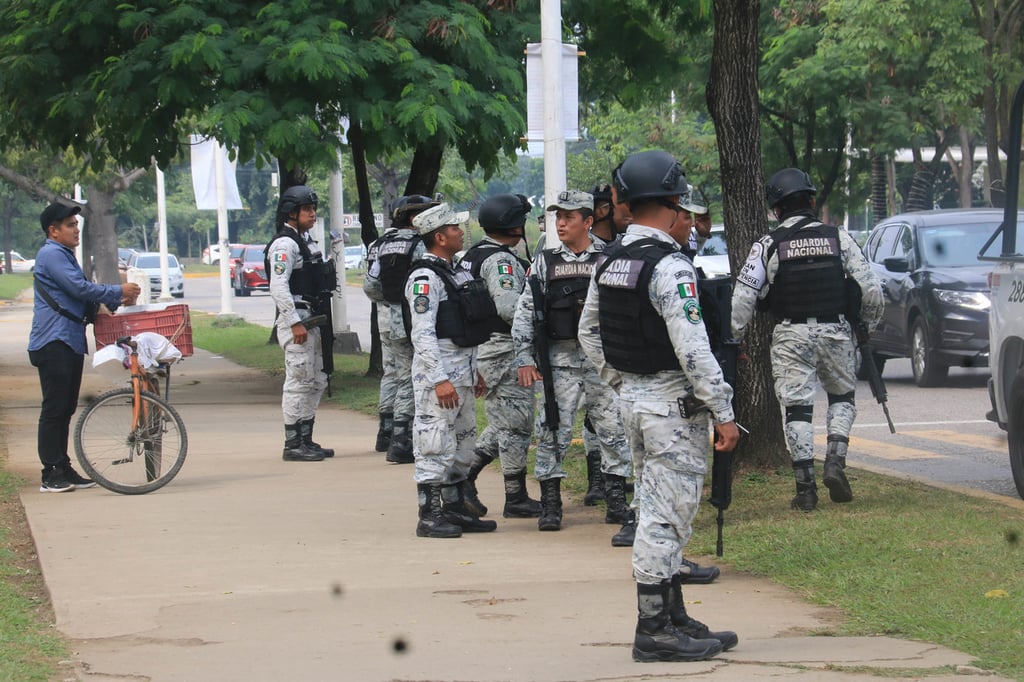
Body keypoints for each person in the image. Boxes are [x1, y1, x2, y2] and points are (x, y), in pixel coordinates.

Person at [578, 150, 739, 662]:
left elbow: (588, 331)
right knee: (663, 518)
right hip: (672, 406)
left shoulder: (610, 260)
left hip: (636, 401)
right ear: (672, 204)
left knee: (660, 507)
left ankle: (673, 615)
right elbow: (694, 349)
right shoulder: (669, 265)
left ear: (626, 202)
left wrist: (619, 380)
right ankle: (653, 630)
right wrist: (724, 411)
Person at [731, 168, 883, 511]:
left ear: (776, 210)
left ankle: (805, 489)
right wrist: (867, 326)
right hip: (836, 330)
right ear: (812, 201)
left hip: (790, 334)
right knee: (842, 398)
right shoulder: (839, 238)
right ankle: (835, 461)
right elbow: (871, 289)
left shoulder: (767, 245)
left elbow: (743, 296)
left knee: (797, 410)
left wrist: (735, 337)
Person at [513, 190, 633, 538]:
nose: (560, 223)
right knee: (553, 430)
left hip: (603, 362)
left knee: (613, 430)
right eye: (557, 217)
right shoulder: (545, 261)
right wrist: (524, 357)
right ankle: (551, 503)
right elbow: (525, 310)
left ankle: (615, 500)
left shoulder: (610, 257)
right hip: (559, 362)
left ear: (589, 221)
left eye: (568, 217)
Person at [29, 202, 141, 492]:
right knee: (54, 408)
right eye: (69, 225)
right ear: (53, 231)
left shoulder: (63, 254)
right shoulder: (52, 254)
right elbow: (79, 289)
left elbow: (79, 297)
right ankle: (50, 472)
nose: (76, 229)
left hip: (67, 340)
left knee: (65, 408)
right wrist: (118, 290)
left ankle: (62, 466)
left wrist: (112, 303)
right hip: (53, 341)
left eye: (76, 224)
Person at [406, 202, 496, 538]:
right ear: (441, 237)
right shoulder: (425, 278)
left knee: (463, 444)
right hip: (439, 378)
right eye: (456, 229)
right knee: (434, 443)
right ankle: (429, 516)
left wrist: (475, 372)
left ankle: (455, 509)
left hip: (464, 373)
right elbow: (423, 333)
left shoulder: (455, 271)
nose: (462, 232)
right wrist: (439, 379)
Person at [459, 194, 542, 519]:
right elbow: (509, 308)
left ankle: (467, 478)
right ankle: (513, 495)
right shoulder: (502, 261)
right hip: (504, 349)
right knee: (517, 423)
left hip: (483, 349)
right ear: (513, 225)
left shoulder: (473, 255)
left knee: (506, 421)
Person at [265, 185, 336, 462]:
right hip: (298, 321)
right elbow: (279, 287)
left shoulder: (306, 242)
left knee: (316, 379)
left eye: (313, 209)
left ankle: (306, 437)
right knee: (297, 381)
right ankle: (293, 443)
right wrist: (294, 322)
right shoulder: (285, 245)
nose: (313, 213)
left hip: (312, 319)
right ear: (292, 213)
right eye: (307, 209)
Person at [363, 196, 435, 462]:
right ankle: (401, 442)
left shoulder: (378, 244)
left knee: (391, 373)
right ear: (415, 218)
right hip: (405, 320)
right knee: (407, 377)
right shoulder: (418, 245)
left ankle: (386, 433)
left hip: (384, 317)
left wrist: (388, 300)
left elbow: (370, 286)